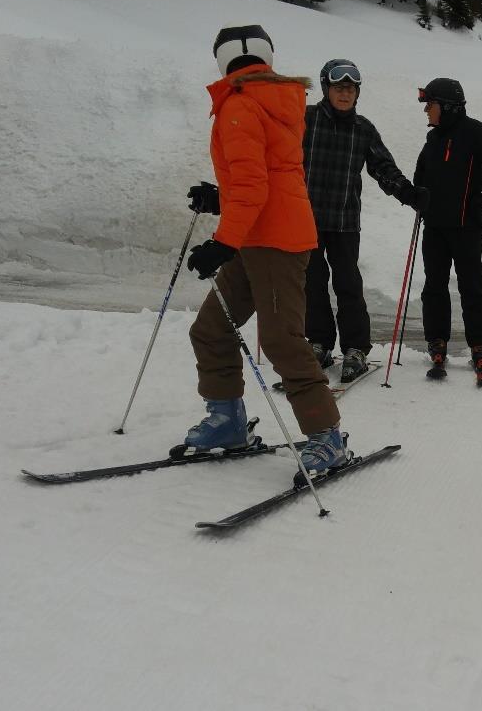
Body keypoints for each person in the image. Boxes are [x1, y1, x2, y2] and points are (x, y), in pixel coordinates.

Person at [183, 24, 347, 478]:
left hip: (274, 241)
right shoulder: (269, 101)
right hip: (255, 234)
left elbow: (256, 186)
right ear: (266, 58)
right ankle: (228, 420)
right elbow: (269, 175)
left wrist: (220, 243)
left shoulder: (238, 105)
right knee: (211, 328)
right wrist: (220, 198)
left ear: (222, 60)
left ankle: (326, 436)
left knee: (280, 339)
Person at [303, 58, 428, 382]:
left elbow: (383, 168)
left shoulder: (363, 129)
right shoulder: (306, 120)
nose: (345, 94)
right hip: (305, 220)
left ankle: (355, 348)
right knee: (311, 284)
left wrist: (409, 193)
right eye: (338, 87)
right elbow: (278, 156)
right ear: (326, 89)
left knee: (348, 285)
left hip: (344, 221)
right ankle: (318, 343)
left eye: (350, 88)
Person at [414, 78, 482, 382]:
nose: (427, 112)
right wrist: (419, 198)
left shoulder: (474, 132)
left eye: (429, 105)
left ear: (446, 106)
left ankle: (479, 345)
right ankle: (437, 341)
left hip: (466, 227)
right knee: (434, 286)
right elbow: (421, 174)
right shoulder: (432, 140)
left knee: (472, 287)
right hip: (434, 228)